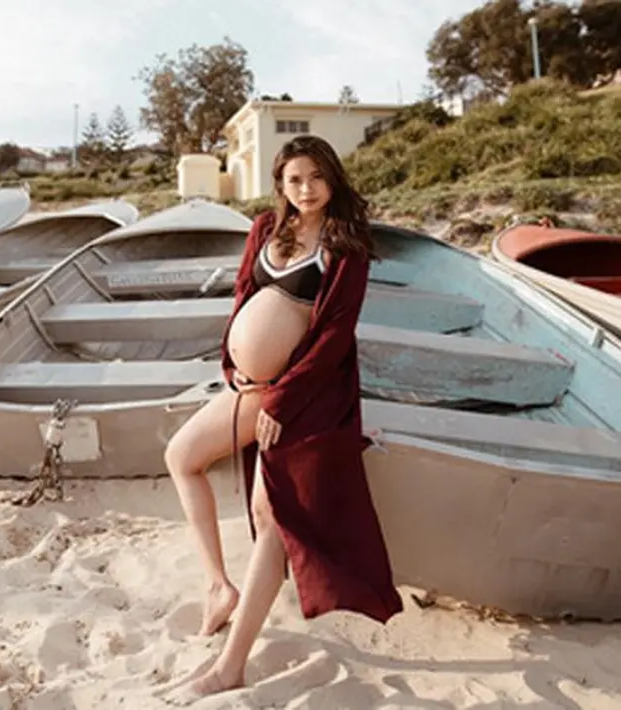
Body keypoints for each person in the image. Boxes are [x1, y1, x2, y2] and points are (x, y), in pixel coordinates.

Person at [161, 134, 404, 702]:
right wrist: (233, 367)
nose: (307, 189)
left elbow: (335, 335)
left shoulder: (347, 244)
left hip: (306, 392)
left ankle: (231, 666)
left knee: (270, 516)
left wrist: (282, 400)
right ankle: (219, 586)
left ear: (332, 178)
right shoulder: (266, 229)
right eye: (295, 179)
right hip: (255, 387)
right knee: (182, 455)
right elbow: (243, 297)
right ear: (280, 184)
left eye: (317, 177)